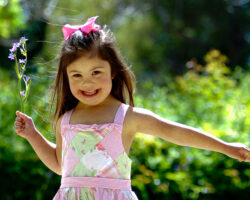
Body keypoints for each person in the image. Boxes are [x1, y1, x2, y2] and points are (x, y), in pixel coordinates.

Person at [14, 16, 250, 200]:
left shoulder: (125, 117)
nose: (87, 82)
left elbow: (175, 132)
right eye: (77, 75)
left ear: (113, 71)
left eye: (96, 72)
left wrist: (225, 147)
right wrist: (33, 135)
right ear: (66, 78)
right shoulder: (66, 119)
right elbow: (59, 165)